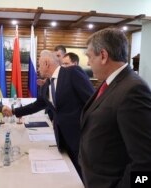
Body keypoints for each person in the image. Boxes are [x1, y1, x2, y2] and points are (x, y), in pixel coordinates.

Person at [79, 28, 151, 188]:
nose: (88, 63)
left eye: (89, 57)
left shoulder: (133, 89)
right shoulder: (110, 82)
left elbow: (145, 161)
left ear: (103, 56)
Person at [13, 50, 94, 178]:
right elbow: (38, 105)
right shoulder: (46, 85)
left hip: (80, 137)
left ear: (46, 63)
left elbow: (92, 102)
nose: (38, 69)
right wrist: (14, 112)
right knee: (71, 175)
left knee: (84, 175)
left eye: (39, 66)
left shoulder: (72, 73)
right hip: (61, 137)